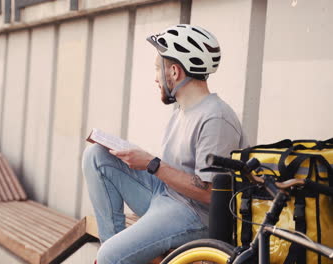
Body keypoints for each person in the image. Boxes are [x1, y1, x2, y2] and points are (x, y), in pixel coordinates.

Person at [82, 24, 249, 264]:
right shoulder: (183, 110)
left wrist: (151, 163)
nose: (155, 77)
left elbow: (212, 194)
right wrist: (142, 160)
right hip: (166, 195)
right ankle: (115, 250)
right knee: (96, 156)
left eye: (157, 69)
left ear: (174, 71)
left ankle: (112, 257)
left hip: (195, 215)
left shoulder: (216, 118)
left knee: (110, 256)